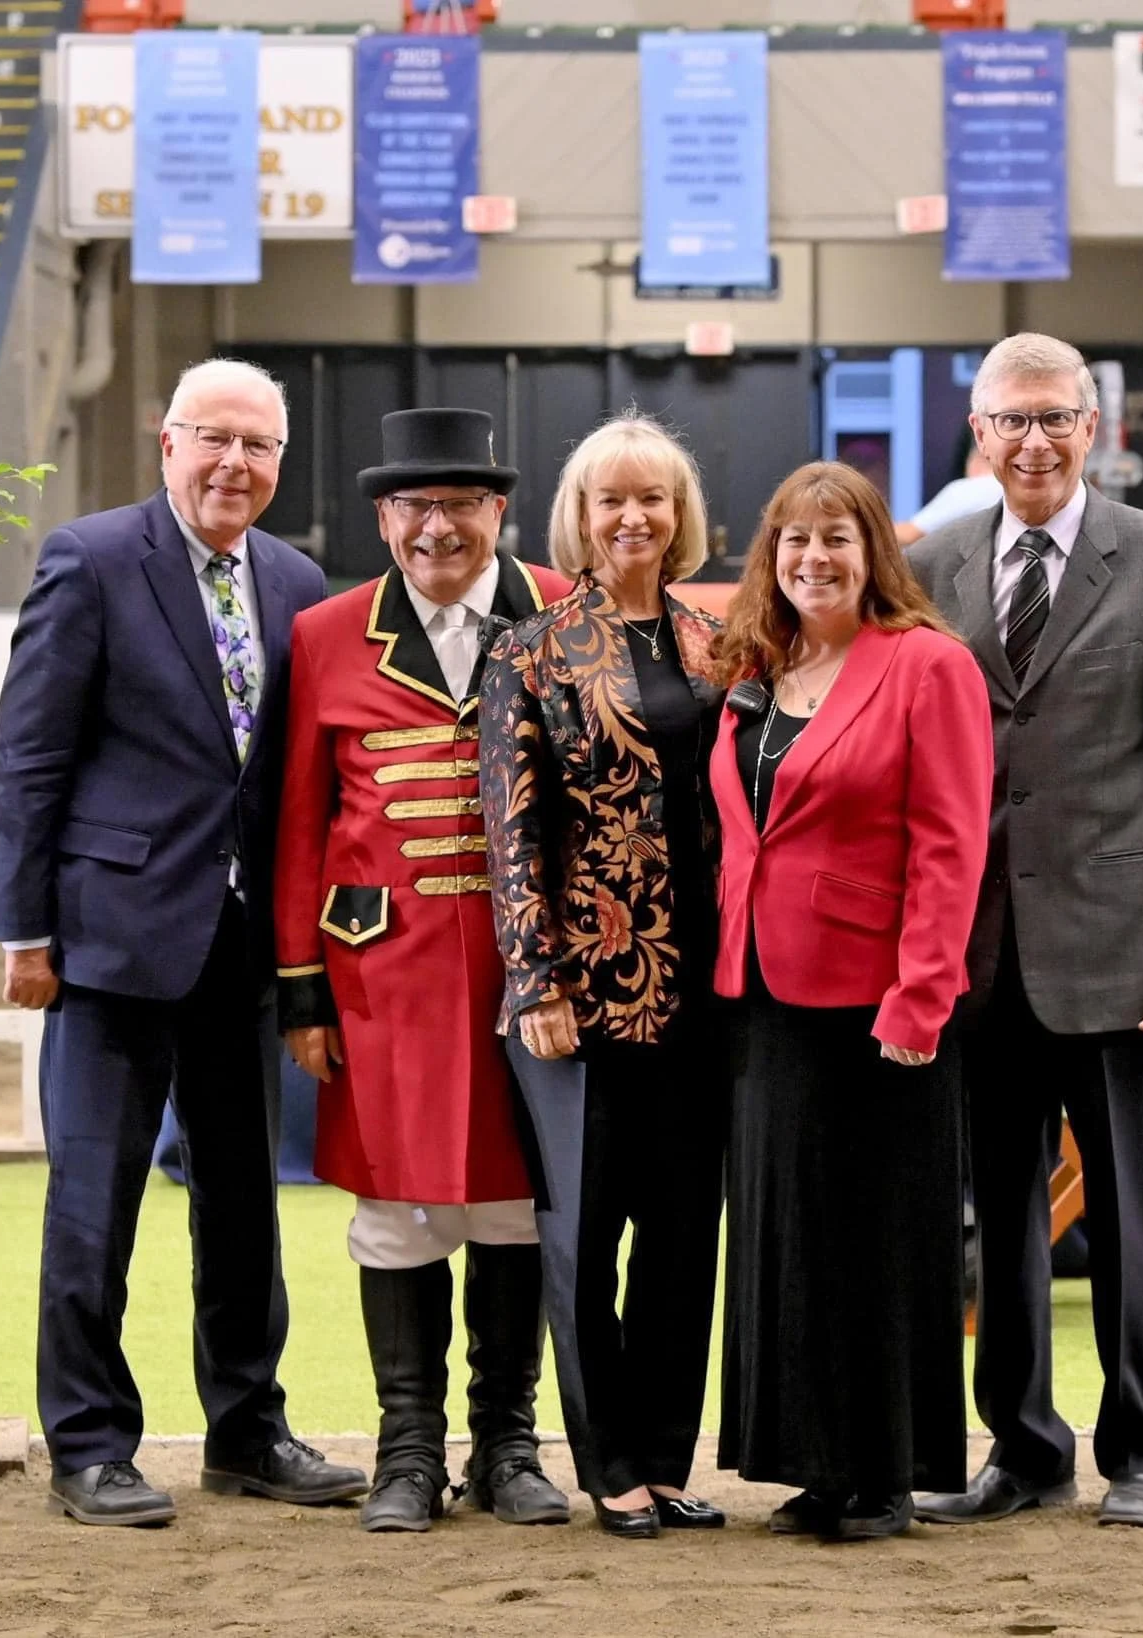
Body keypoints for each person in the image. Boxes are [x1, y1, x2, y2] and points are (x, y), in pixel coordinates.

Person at [0, 358, 365, 1527]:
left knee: (244, 1201)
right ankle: (90, 1447)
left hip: (244, 950)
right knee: (92, 1205)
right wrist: (25, 926)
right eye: (214, 440)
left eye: (257, 447)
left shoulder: (297, 581)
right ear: (166, 442)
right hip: (107, 943)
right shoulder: (91, 560)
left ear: (279, 464)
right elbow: (31, 756)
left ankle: (247, 1430)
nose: (234, 465)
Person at [908, 332, 1143, 1530]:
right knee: (998, 1223)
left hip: (1125, 954)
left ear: (1093, 431)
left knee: (1135, 1217)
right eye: (1012, 421)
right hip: (979, 960)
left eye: (1056, 419)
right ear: (978, 435)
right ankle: (1024, 1451)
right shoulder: (931, 564)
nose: (1034, 441)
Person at [273, 407, 573, 1534]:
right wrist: (301, 987)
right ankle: (407, 1450)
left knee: (510, 1207)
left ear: (498, 511)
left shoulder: (561, 613)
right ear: (384, 519)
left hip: (529, 980)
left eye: (459, 505)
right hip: (380, 982)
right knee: (398, 1213)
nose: (435, 528)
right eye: (412, 507)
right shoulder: (325, 634)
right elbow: (300, 822)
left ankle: (506, 1443)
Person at [711, 460, 992, 1542]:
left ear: (875, 550)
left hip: (881, 1003)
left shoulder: (926, 666)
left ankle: (881, 1474)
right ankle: (808, 1462)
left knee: (880, 1241)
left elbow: (950, 841)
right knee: (789, 1237)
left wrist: (919, 998)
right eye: (793, 540)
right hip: (765, 993)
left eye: (835, 539)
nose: (813, 559)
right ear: (769, 557)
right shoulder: (755, 668)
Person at [479, 411, 729, 1541]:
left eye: (654, 499)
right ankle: (609, 1463)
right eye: (610, 500)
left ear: (681, 518)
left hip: (708, 993)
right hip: (579, 995)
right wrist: (534, 980)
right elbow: (510, 829)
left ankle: (670, 1460)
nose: (634, 517)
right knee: (583, 1235)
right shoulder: (528, 650)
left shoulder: (717, 644)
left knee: (683, 1238)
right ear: (577, 520)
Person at [895, 441, 1004, 547]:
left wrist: (878, 527)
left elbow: (908, 535)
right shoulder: (1011, 491)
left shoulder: (970, 488)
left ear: (977, 461)